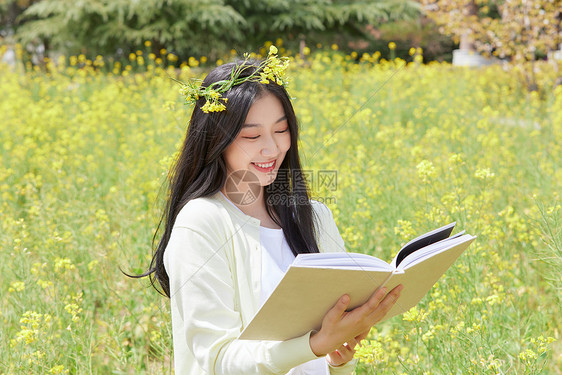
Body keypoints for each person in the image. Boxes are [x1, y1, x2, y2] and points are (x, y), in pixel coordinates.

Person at [142, 47, 403, 374]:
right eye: (251, 135)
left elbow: (325, 362)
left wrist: (338, 357)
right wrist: (314, 345)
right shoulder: (202, 223)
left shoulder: (316, 217)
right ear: (215, 141)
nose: (272, 147)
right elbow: (217, 362)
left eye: (281, 131)